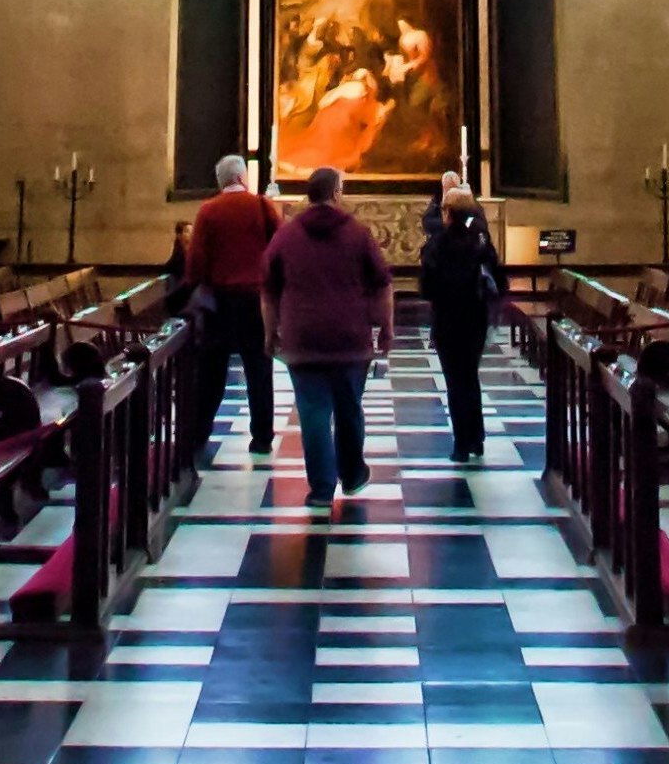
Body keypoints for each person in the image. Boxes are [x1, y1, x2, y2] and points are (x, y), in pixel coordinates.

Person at [262, 162, 393, 505]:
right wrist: (387, 329)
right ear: (336, 193)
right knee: (350, 408)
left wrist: (269, 332)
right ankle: (351, 475)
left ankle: (321, 488)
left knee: (313, 412)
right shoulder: (358, 234)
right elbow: (382, 284)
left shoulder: (286, 235)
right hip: (350, 338)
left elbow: (269, 289)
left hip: (302, 337)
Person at [180, 150, 281, 453]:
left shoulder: (209, 211)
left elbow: (196, 262)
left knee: (211, 370)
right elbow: (279, 250)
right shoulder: (262, 207)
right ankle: (262, 436)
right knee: (259, 369)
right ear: (241, 177)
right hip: (255, 300)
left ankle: (199, 433)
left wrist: (191, 288)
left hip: (220, 303)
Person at [418, 180, 506, 457]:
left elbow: (426, 287)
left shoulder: (438, 244)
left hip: (447, 319)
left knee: (455, 381)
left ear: (447, 212)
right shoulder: (481, 240)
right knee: (470, 376)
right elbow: (500, 280)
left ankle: (461, 444)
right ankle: (477, 438)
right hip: (475, 317)